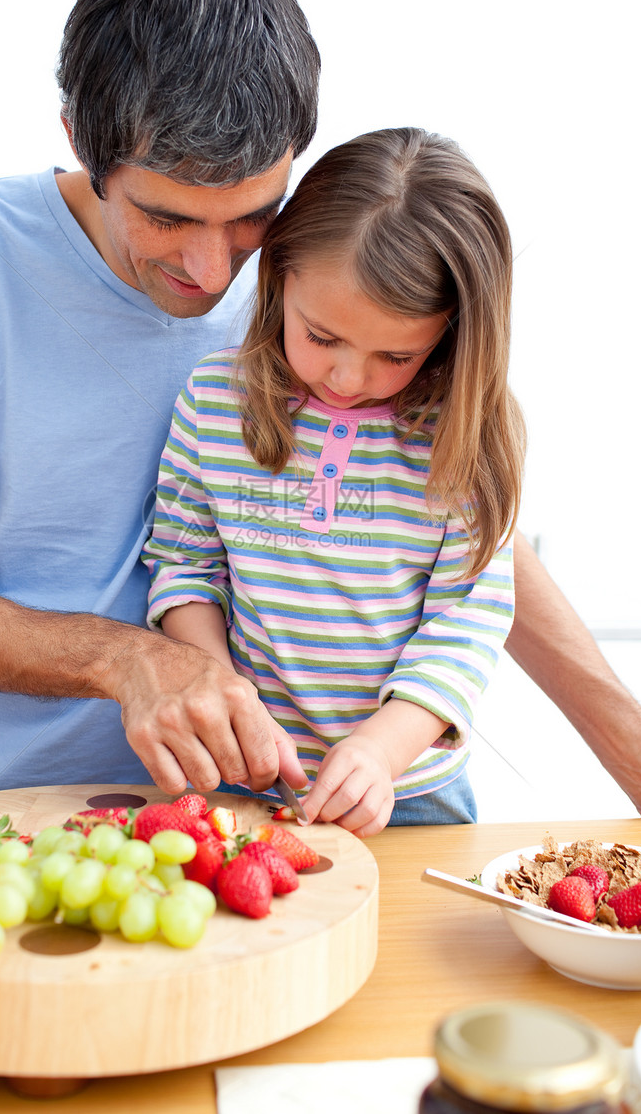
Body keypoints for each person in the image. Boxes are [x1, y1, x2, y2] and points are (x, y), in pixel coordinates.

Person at [0, 0, 641, 837]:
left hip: (191, 818)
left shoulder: (315, 287)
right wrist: (130, 661)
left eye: (252, 214)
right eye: (165, 216)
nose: (212, 269)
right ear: (79, 140)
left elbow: (462, 529)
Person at [142, 128, 524, 835]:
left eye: (394, 355)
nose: (349, 378)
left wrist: (380, 752)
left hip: (407, 794)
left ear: (450, 332)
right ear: (278, 275)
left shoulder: (461, 441)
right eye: (321, 337)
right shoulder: (212, 403)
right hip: (239, 773)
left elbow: (464, 626)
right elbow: (184, 567)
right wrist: (217, 684)